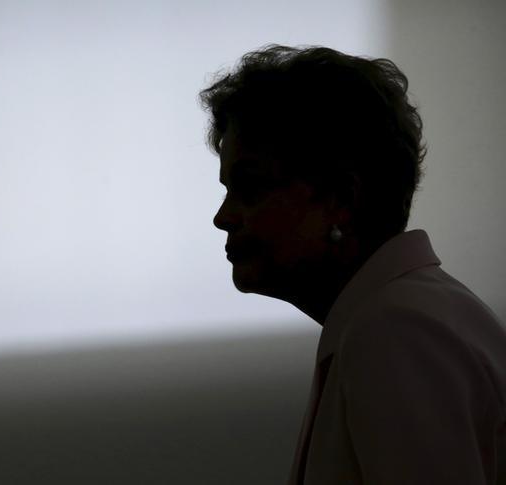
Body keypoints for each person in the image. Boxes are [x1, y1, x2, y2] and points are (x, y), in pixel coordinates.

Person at [199, 44, 506, 484]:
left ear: (342, 199)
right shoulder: (409, 313)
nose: (222, 217)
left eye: (251, 189)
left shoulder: (395, 329)